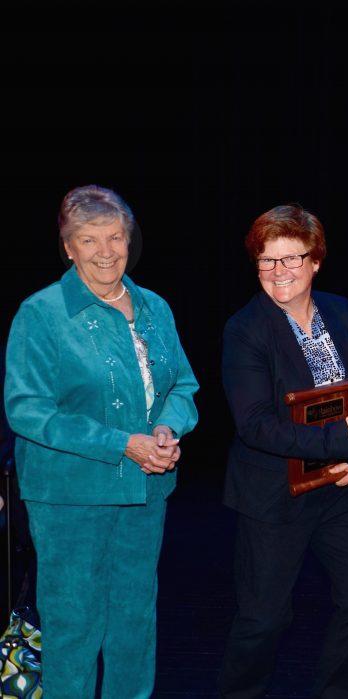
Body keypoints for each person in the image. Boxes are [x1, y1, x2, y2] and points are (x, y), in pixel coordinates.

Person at [3, 184, 200, 697]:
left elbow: (183, 384)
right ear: (68, 247)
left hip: (144, 492)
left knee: (135, 626)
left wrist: (166, 428)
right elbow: (27, 410)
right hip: (70, 499)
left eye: (115, 237)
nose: (106, 251)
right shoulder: (41, 314)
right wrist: (123, 443)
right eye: (89, 240)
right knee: (73, 630)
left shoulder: (154, 306)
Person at [218, 204, 348, 699]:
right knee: (264, 619)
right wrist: (342, 442)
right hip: (273, 497)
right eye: (268, 261)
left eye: (292, 259)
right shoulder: (245, 328)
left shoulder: (342, 311)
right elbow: (255, 426)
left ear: (316, 262)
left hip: (338, 489)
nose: (278, 271)